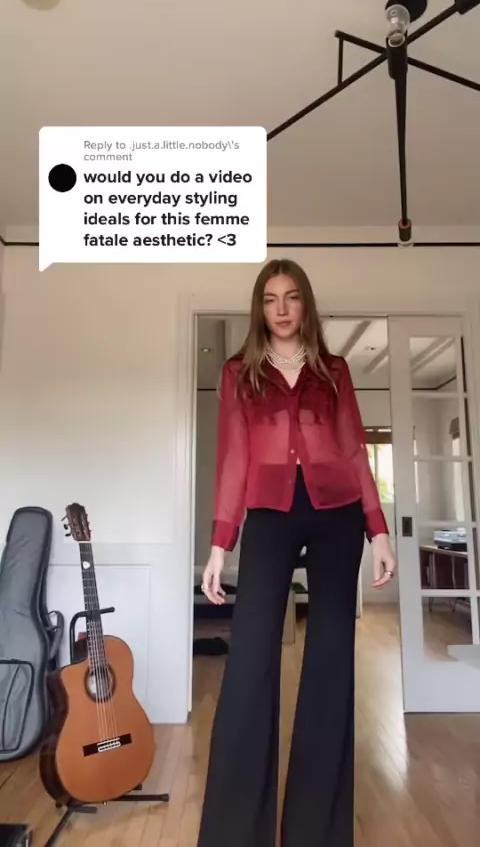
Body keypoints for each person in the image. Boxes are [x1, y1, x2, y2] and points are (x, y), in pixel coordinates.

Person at [196, 259, 397, 847]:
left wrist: (378, 530)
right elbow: (234, 458)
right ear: (259, 308)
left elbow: (354, 451)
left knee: (331, 661)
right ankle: (235, 834)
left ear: (305, 304)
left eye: (291, 297)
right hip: (269, 515)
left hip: (337, 515)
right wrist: (220, 544)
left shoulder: (334, 371)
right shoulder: (239, 373)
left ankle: (318, 832)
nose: (281, 309)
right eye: (270, 299)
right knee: (249, 661)